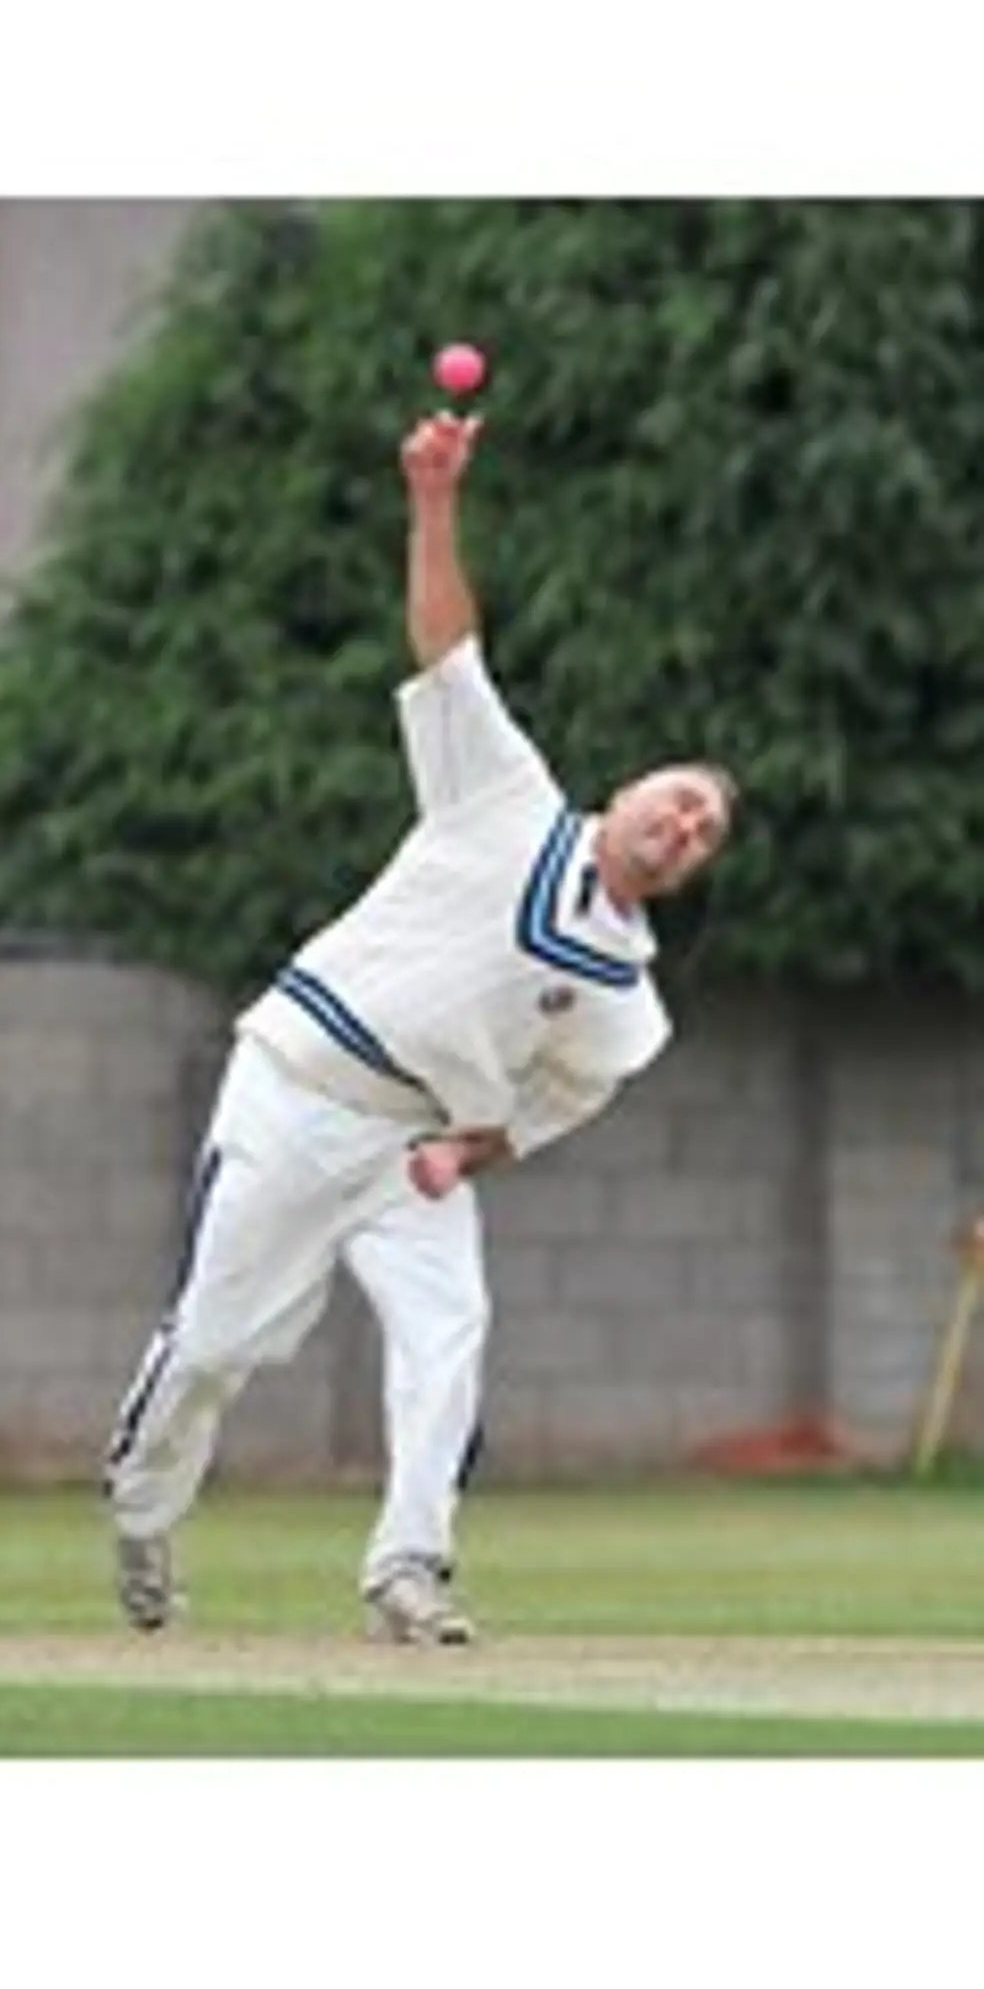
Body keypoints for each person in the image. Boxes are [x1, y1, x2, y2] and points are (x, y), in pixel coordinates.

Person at [102, 411, 737, 1646]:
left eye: (703, 831)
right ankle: (139, 1511)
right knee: (217, 1346)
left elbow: (556, 1105)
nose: (681, 827)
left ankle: (408, 1568)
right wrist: (433, 498)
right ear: (625, 790)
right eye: (674, 800)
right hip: (296, 1082)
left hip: (410, 1152)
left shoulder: (622, 999)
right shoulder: (503, 794)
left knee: (449, 1339)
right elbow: (447, 648)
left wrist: (466, 1153)